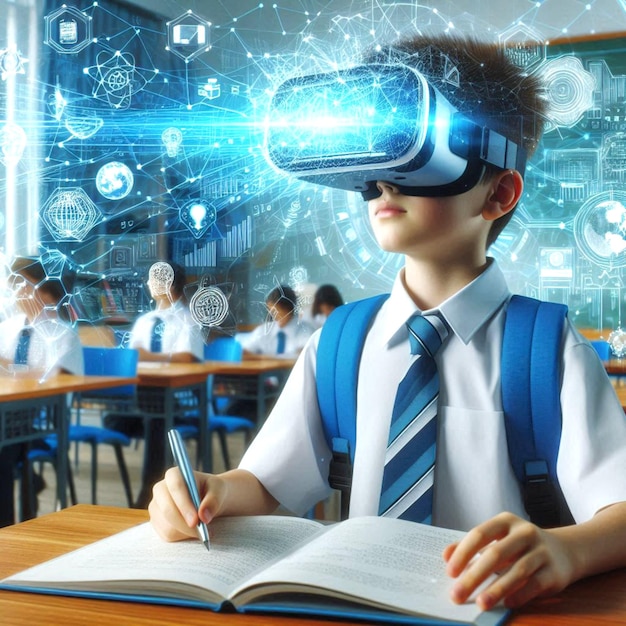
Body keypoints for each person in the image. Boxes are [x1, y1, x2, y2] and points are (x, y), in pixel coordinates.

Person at [148, 33, 626, 612]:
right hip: (359, 605)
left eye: (411, 151)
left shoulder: (545, 349)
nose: (384, 183)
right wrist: (214, 491)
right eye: (372, 159)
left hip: (496, 611)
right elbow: (271, 486)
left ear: (499, 192)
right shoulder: (341, 343)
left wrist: (566, 552)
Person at [105, 261, 204, 509]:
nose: (150, 284)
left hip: (179, 398)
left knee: (157, 418)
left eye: (154, 279)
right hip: (142, 392)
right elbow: (133, 357)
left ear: (167, 283)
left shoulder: (188, 321)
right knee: (116, 418)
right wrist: (152, 356)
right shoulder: (146, 321)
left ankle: (148, 494)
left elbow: (187, 357)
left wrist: (149, 356)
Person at [0, 256, 84, 527]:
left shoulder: (63, 334)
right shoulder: (8, 329)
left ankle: (6, 529)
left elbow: (53, 379)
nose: (19, 292)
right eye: (16, 285)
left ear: (48, 291)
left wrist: (12, 369)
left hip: (41, 420)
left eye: (25, 285)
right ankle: (28, 483)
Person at [236, 285, 314, 358]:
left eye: (276, 311)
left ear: (289, 309)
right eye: (270, 311)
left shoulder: (305, 330)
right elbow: (244, 351)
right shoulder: (264, 330)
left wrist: (262, 358)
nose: (273, 315)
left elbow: (301, 356)